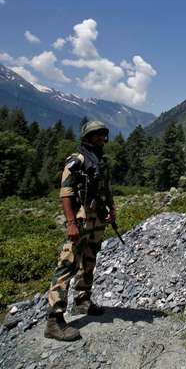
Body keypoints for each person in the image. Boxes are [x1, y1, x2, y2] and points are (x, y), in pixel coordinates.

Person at [44, 121, 116, 341]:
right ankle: (54, 320)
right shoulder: (77, 160)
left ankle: (82, 301)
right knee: (67, 264)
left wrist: (111, 210)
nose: (101, 138)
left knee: (89, 260)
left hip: (96, 219)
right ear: (87, 137)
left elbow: (105, 189)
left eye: (103, 135)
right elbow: (65, 193)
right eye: (96, 135)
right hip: (80, 219)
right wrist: (71, 223)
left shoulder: (100, 161)